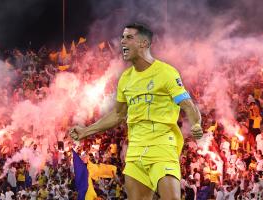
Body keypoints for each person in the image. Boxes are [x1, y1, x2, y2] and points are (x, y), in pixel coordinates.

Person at [70, 22, 203, 200]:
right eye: (123, 37)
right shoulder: (125, 78)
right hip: (135, 151)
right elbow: (118, 114)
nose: (123, 41)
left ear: (144, 43)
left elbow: (187, 104)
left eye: (129, 37)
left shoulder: (167, 73)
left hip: (162, 146)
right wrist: (86, 131)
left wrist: (196, 123)